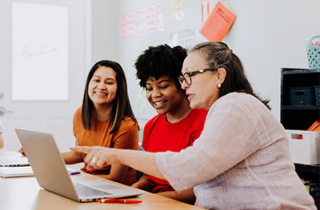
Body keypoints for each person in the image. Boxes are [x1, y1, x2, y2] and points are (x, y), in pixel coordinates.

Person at [71, 42, 316, 209]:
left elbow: (190, 167)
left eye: (190, 76)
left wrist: (116, 154)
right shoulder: (220, 110)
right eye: (182, 78)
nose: (185, 84)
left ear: (219, 76)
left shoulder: (235, 104)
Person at [20, 60, 140, 186]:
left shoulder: (126, 126)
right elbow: (79, 154)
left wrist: (77, 181)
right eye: (96, 80)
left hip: (114, 191)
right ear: (89, 83)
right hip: (87, 183)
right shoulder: (81, 113)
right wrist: (42, 156)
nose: (101, 86)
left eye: (109, 82)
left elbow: (116, 178)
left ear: (119, 89)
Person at [133, 44, 207, 204]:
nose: (155, 95)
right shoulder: (151, 125)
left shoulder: (203, 122)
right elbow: (148, 176)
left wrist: (151, 199)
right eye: (149, 88)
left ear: (182, 83)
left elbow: (198, 191)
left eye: (163, 86)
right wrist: (138, 187)